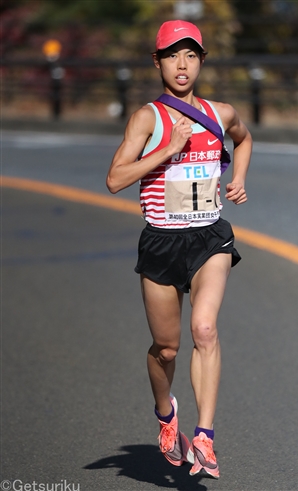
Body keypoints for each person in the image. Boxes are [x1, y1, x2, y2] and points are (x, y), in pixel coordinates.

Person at [106, 19, 252, 479]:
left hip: (209, 237)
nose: (182, 64)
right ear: (158, 62)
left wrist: (239, 177)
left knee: (204, 329)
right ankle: (165, 416)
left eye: (191, 55)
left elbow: (244, 139)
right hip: (161, 242)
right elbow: (115, 179)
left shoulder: (221, 113)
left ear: (202, 60)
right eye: (172, 55)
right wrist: (168, 149)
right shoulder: (148, 118)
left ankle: (204, 437)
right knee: (166, 349)